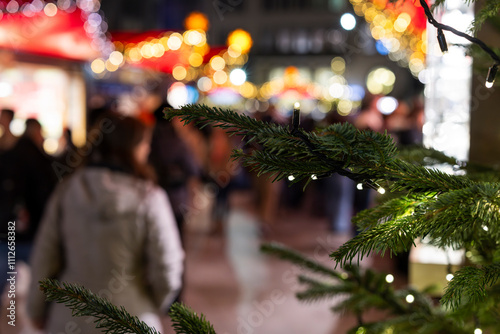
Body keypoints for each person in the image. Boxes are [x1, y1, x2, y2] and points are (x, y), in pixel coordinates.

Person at [27, 112, 184, 333]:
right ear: (132, 148)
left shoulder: (68, 190)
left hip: (70, 317)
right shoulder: (149, 198)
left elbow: (44, 258)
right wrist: (152, 304)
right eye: (144, 144)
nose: (147, 150)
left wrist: (36, 310)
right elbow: (168, 266)